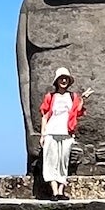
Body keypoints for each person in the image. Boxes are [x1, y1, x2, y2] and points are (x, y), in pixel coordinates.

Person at [38, 70, 84, 199]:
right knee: (51, 161)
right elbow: (45, 116)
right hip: (51, 132)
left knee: (63, 161)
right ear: (57, 80)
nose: (63, 81)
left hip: (66, 132)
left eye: (66, 79)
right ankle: (54, 191)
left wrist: (82, 100)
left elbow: (77, 112)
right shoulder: (50, 96)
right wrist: (43, 134)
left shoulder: (72, 96)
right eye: (61, 78)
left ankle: (60, 190)